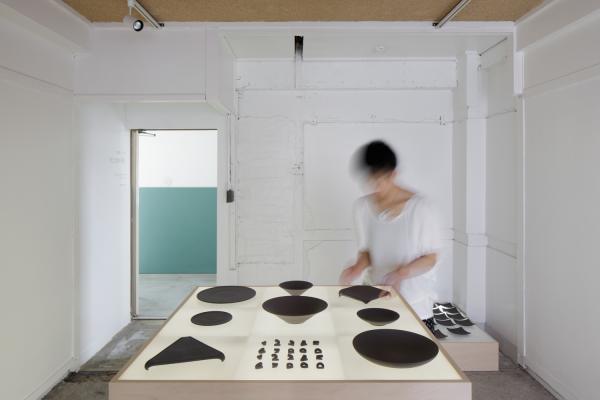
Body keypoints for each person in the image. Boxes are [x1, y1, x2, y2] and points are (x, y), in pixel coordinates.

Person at [339, 140, 442, 332]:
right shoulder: (362, 208)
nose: (375, 188)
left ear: (393, 174)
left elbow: (430, 259)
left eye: (380, 181)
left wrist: (400, 274)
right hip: (376, 302)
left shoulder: (421, 208)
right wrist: (355, 269)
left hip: (415, 309)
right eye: (370, 181)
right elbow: (367, 252)